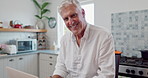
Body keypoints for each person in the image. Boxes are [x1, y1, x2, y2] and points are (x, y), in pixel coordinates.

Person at [50, 0, 115, 78]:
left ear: (83, 13)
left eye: (73, 15)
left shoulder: (103, 36)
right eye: (66, 19)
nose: (70, 22)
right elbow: (61, 67)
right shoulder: (64, 40)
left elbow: (106, 75)